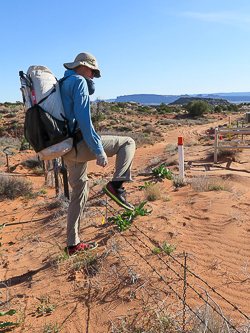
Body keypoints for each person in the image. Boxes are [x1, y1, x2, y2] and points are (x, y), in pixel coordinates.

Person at [60, 52, 136, 256]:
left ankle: (72, 244)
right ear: (84, 67)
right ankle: (117, 185)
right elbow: (84, 120)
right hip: (79, 145)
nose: (93, 76)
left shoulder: (61, 83)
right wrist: (98, 149)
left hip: (66, 149)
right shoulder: (78, 82)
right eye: (93, 71)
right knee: (128, 142)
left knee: (79, 189)